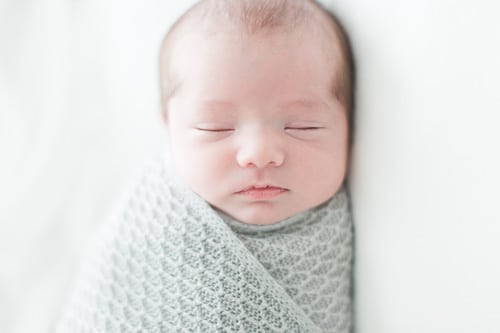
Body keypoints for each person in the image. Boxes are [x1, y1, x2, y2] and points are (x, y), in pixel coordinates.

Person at [55, 0, 354, 332]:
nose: (258, 153)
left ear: (350, 128)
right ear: (170, 130)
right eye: (216, 127)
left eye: (302, 126)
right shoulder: (150, 225)